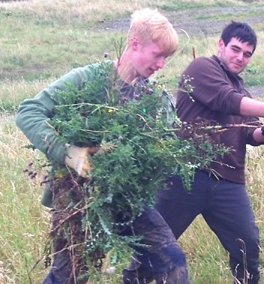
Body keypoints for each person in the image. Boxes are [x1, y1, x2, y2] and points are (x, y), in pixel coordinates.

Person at [15, 8, 190, 284]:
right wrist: (70, 153)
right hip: (77, 196)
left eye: (166, 58)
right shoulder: (88, 80)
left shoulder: (154, 97)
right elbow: (29, 112)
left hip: (128, 197)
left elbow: (170, 140)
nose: (161, 65)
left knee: (172, 262)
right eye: (158, 55)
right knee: (70, 276)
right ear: (134, 44)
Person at [125, 21, 264, 284]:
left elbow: (250, 135)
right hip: (185, 176)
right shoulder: (202, 69)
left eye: (247, 54)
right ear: (221, 45)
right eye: (235, 49)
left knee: (247, 247)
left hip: (228, 184)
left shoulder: (242, 90)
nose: (240, 58)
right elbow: (224, 99)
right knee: (153, 251)